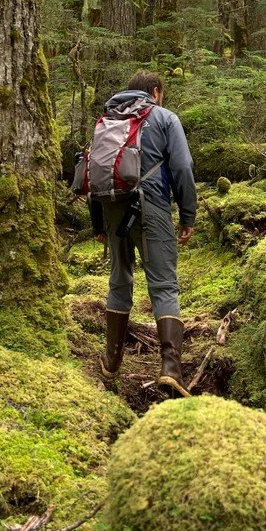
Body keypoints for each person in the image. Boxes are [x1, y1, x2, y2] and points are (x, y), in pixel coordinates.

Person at [91, 72, 198, 396]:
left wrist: (97, 224)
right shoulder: (164, 118)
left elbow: (94, 171)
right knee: (164, 284)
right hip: (150, 207)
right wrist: (187, 214)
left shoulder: (107, 120)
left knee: (119, 279)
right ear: (155, 91)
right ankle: (171, 368)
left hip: (112, 208)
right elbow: (182, 167)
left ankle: (111, 361)